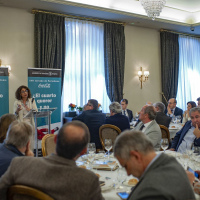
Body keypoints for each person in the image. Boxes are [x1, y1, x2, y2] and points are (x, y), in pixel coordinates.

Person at [0, 121, 104, 200]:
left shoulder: (19, 164)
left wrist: (27, 161)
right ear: (84, 151)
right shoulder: (89, 180)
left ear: (55, 140)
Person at [113, 130, 195, 200]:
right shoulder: (169, 161)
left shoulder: (151, 192)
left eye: (126, 166)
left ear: (136, 156)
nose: (128, 173)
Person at [13, 85, 38, 150]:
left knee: (30, 143)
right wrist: (17, 110)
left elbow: (36, 112)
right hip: (21, 125)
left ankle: (30, 155)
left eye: (26, 91)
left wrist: (30, 109)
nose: (25, 93)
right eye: (23, 91)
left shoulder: (32, 100)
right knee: (22, 143)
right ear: (20, 94)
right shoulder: (16, 102)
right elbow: (14, 115)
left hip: (30, 125)